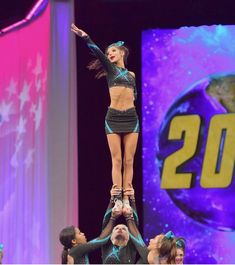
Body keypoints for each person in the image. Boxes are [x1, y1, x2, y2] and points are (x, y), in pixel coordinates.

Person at [71, 23, 139, 210]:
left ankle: (127, 197)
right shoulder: (111, 70)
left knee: (129, 160)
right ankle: (117, 196)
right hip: (113, 118)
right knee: (116, 159)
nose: (109, 54)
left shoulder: (132, 75)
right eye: (108, 52)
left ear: (122, 53)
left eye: (113, 51)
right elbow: (96, 51)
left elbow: (134, 95)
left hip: (131, 118)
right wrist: (85, 37)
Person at [59, 186, 122, 264]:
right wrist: (113, 217)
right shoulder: (77, 249)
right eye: (79, 233)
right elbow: (102, 239)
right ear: (74, 241)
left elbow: (101, 238)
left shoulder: (74, 251)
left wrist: (112, 200)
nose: (83, 234)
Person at [101, 186, 145, 264]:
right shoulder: (106, 245)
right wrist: (132, 199)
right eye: (116, 228)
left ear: (129, 237)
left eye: (124, 229)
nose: (120, 229)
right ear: (110, 236)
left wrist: (112, 199)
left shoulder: (131, 247)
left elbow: (134, 228)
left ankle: (122, 197)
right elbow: (106, 225)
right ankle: (125, 197)